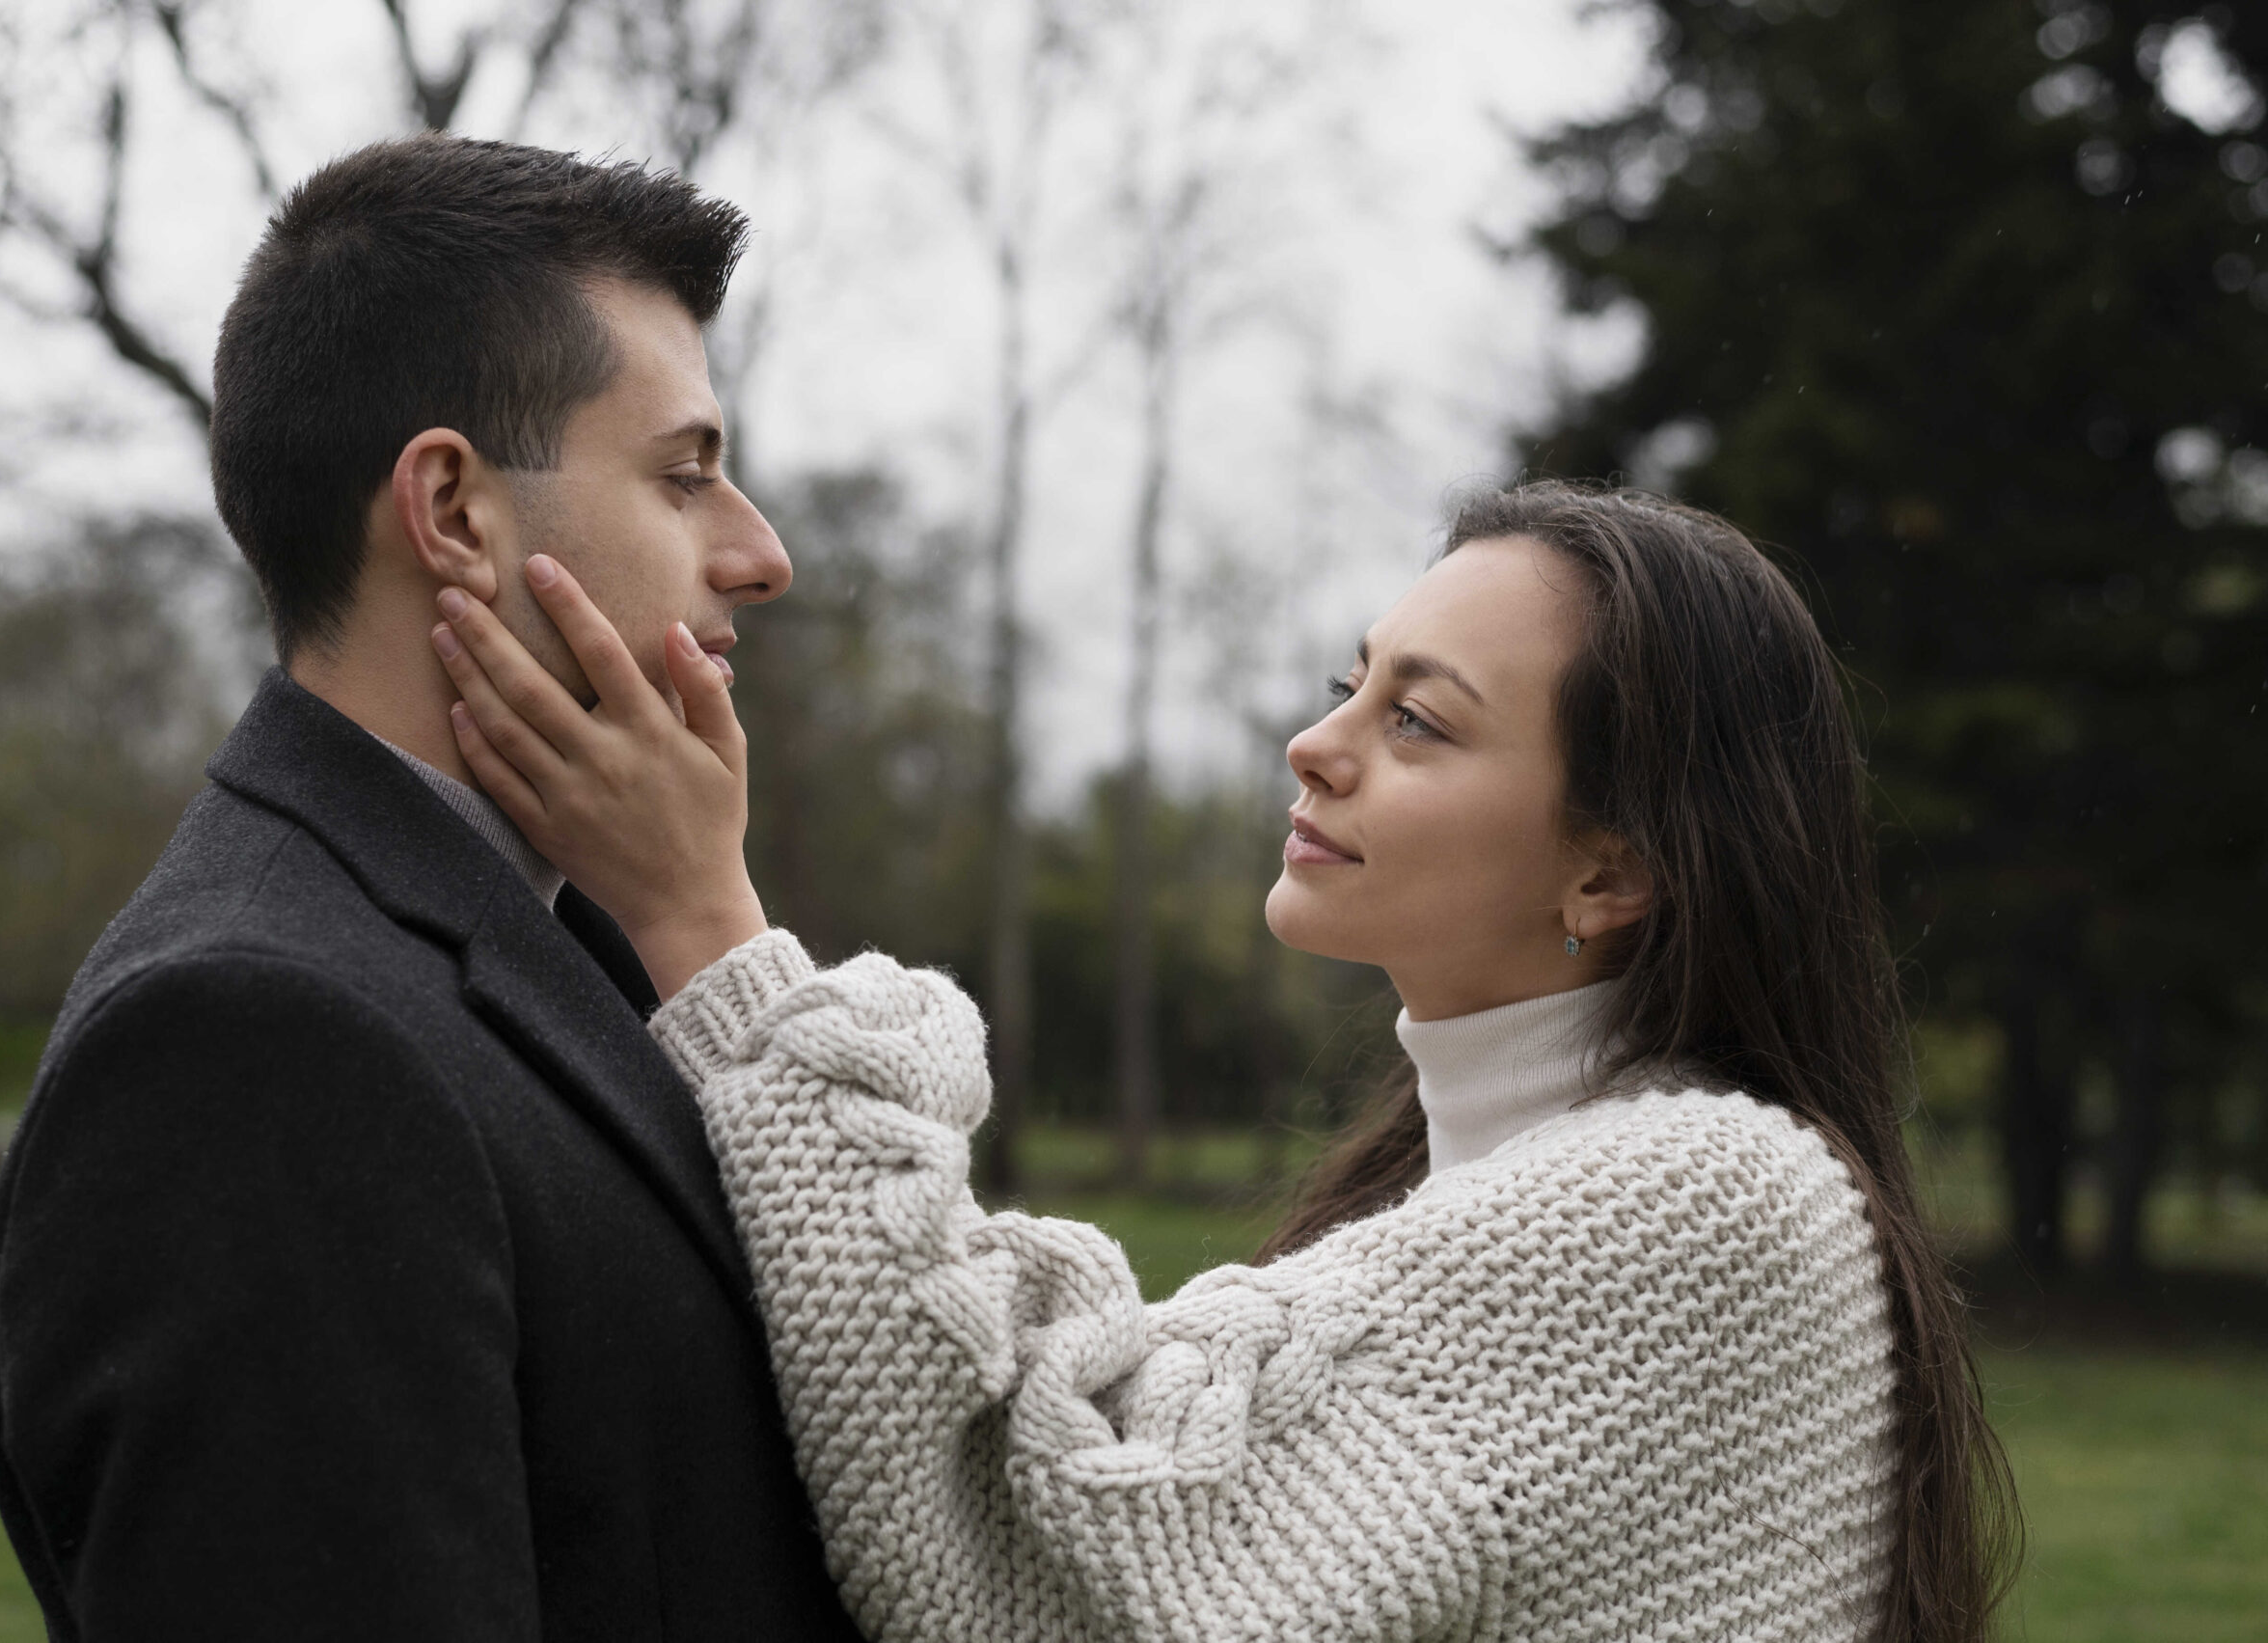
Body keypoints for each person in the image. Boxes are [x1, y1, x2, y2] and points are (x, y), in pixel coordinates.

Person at [427, 479, 2020, 1643]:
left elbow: (1075, 1568)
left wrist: (708, 925)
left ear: (1610, 873)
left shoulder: (1709, 1196)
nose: (1317, 745)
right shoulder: (1489, 1181)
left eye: (1422, 724)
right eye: (1354, 685)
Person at [0, 135, 864, 1641]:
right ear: (452, 511)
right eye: (685, 475)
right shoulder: (252, 1044)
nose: (760, 556)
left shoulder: (601, 938)